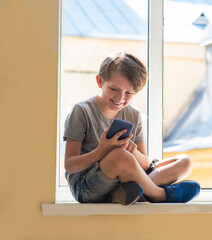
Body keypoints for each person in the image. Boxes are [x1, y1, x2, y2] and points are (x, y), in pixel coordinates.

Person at [63, 51, 200, 205]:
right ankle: (159, 195)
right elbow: (70, 165)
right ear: (100, 81)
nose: (120, 98)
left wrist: (132, 151)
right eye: (114, 89)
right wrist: (101, 151)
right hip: (87, 186)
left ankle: (126, 192)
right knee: (119, 156)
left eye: (128, 93)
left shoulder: (133, 115)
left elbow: (145, 164)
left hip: (127, 176)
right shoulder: (82, 111)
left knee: (185, 162)